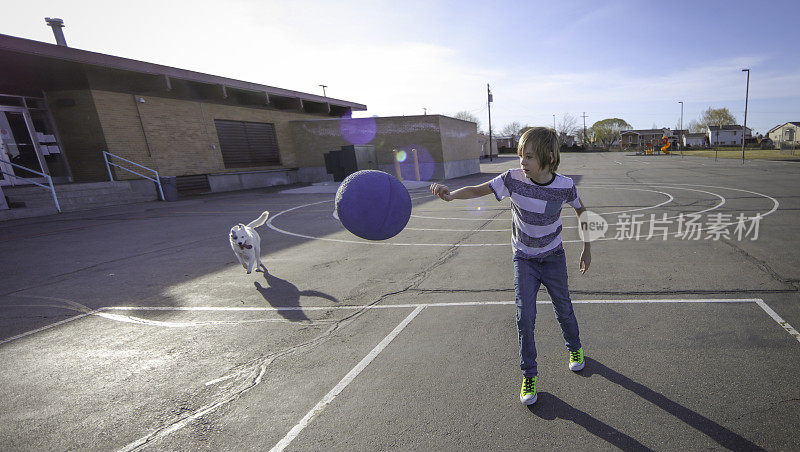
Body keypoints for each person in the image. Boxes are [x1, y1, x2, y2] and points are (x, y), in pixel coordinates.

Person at [430, 127, 591, 405]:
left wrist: (587, 248)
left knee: (563, 308)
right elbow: (477, 189)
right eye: (520, 156)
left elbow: (581, 210)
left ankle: (574, 348)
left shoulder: (565, 186)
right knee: (524, 316)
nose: (522, 162)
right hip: (524, 258)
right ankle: (529, 374)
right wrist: (452, 195)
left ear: (549, 158)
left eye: (528, 157)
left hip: (553, 257)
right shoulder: (513, 180)